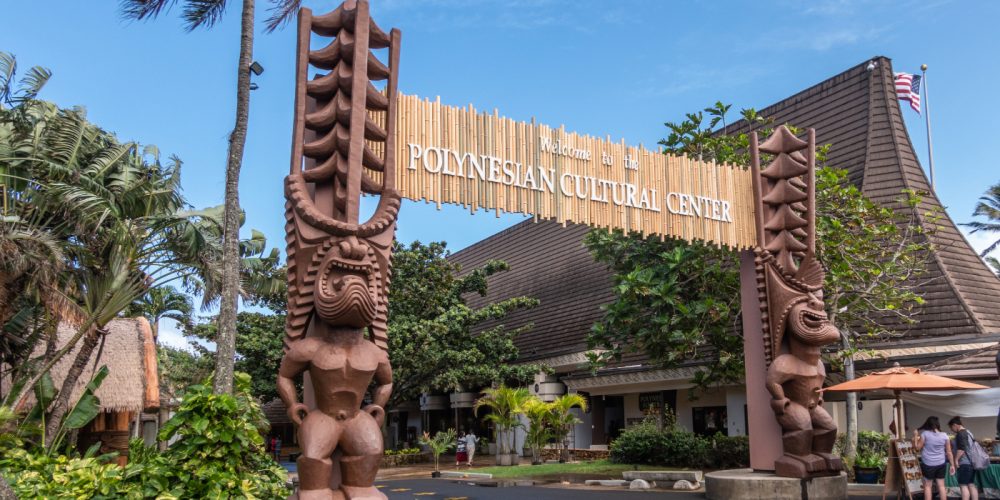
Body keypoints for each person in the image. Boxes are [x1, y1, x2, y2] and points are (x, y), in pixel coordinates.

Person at [914, 416, 955, 500]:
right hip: (941, 463)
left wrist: (915, 436)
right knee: (941, 486)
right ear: (937, 424)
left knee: (928, 486)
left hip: (928, 464)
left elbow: (917, 448)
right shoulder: (944, 435)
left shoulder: (925, 434)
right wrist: (952, 465)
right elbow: (949, 452)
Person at [949, 416, 979, 500]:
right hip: (971, 463)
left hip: (964, 463)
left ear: (955, 425)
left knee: (963, 486)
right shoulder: (969, 432)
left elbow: (962, 449)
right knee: (971, 484)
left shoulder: (961, 434)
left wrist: (956, 460)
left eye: (952, 428)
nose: (952, 430)